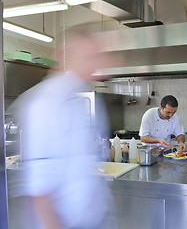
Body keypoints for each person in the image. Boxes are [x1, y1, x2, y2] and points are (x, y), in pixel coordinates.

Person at [16, 26, 115, 229]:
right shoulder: (46, 102)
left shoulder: (81, 97)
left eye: (95, 56)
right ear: (63, 54)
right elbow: (40, 189)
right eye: (87, 57)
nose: (94, 65)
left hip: (92, 220)